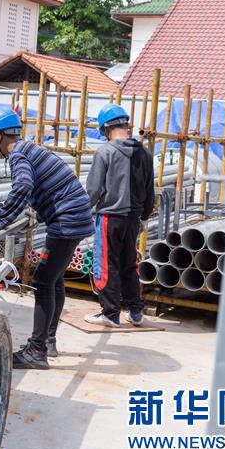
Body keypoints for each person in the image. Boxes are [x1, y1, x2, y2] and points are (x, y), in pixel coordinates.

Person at [0, 108, 94, 370]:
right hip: (74, 218)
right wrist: (36, 209)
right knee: (53, 280)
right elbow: (43, 186)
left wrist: (2, 220)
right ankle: (48, 341)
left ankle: (37, 351)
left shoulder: (18, 155)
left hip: (67, 221)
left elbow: (22, 186)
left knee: (43, 281)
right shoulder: (30, 149)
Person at [85, 103, 155, 328]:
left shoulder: (105, 152)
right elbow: (149, 189)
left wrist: (85, 209)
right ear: (126, 125)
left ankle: (110, 313)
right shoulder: (144, 153)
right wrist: (143, 216)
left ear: (106, 129)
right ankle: (135, 312)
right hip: (133, 219)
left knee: (106, 264)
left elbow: (94, 189)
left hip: (109, 217)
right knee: (129, 263)